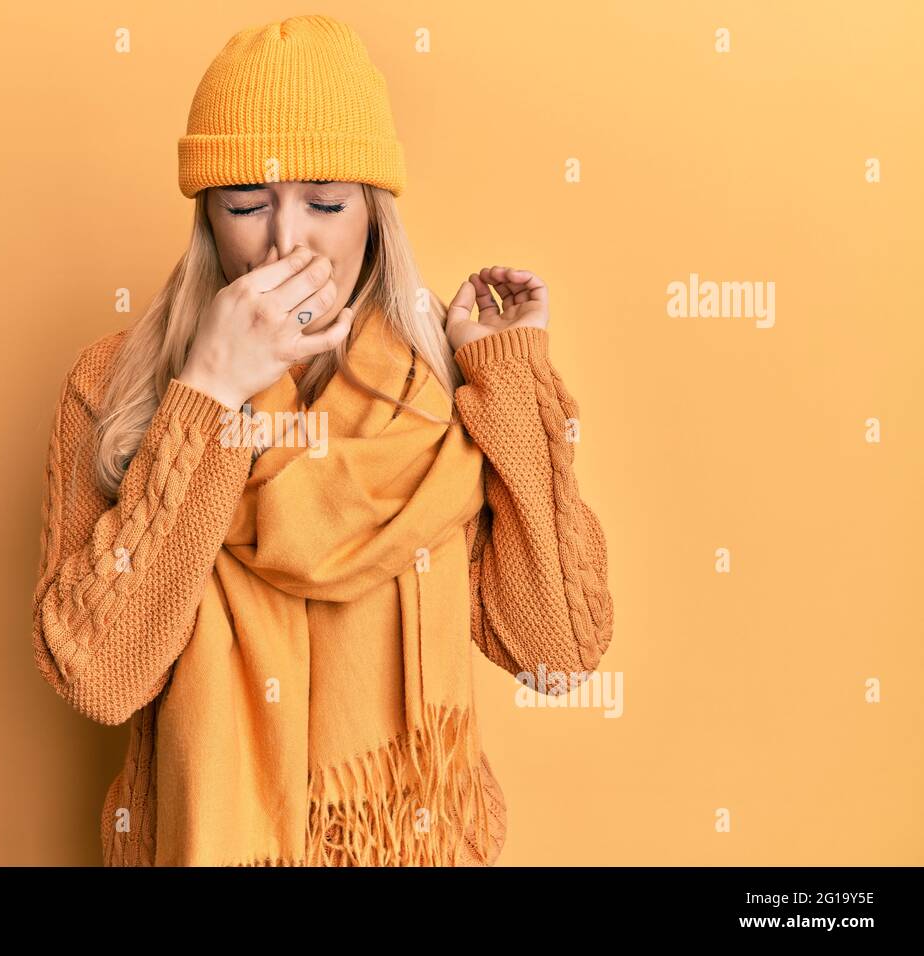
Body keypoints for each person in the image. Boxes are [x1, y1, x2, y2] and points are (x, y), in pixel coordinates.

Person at [32, 13, 614, 867]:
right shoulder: (116, 384)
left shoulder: (446, 385)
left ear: (374, 214)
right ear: (206, 216)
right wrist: (208, 394)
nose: (285, 242)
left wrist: (512, 378)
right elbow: (100, 675)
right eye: (245, 204)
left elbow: (559, 654)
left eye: (327, 204)